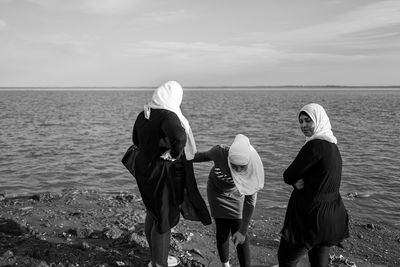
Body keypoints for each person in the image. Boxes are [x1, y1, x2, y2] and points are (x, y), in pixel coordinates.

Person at [132, 81, 211, 267]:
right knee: (164, 219)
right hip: (161, 175)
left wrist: (153, 148)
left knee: (153, 212)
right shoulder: (168, 116)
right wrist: (173, 154)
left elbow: (135, 140)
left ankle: (156, 258)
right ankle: (160, 263)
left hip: (145, 172)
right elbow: (180, 137)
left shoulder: (144, 114)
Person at [278, 103, 349, 267]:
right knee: (319, 260)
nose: (303, 126)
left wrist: (295, 181)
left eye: (308, 121)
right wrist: (298, 182)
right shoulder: (332, 146)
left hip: (311, 217)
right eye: (301, 121)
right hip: (332, 216)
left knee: (286, 259)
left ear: (318, 120)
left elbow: (288, 175)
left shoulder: (314, 145)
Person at [193, 134, 265, 267]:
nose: (237, 170)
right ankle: (225, 265)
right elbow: (200, 156)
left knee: (239, 230)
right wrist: (176, 157)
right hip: (216, 192)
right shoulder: (219, 152)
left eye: (241, 167)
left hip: (236, 195)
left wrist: (243, 230)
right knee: (221, 230)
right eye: (234, 165)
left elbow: (250, 200)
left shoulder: (252, 168)